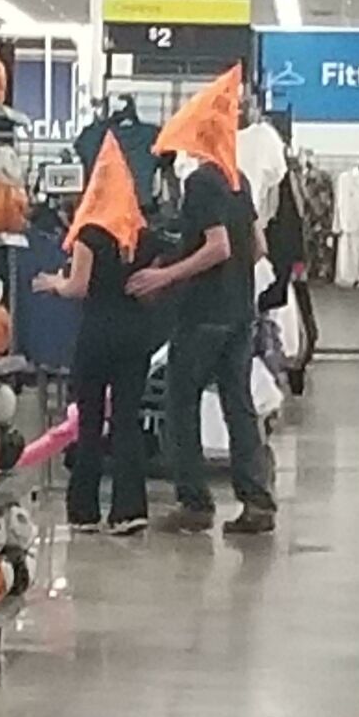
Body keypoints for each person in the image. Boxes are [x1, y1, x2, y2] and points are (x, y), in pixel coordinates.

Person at [126, 147, 277, 535]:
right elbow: (258, 246)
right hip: (241, 310)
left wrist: (166, 275)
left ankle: (194, 504)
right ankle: (257, 501)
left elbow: (218, 245)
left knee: (180, 405)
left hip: (203, 313)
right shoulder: (237, 177)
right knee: (239, 404)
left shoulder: (200, 182)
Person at [34, 133, 165, 536]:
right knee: (127, 420)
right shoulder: (144, 236)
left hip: (96, 335)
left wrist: (52, 283)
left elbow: (78, 287)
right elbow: (151, 290)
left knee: (90, 421)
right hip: (135, 336)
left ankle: (84, 511)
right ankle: (129, 510)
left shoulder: (91, 233)